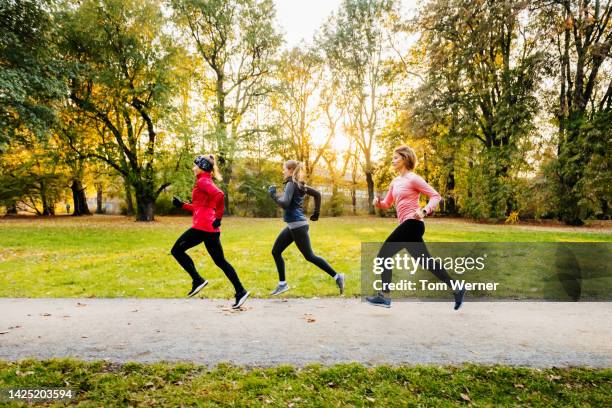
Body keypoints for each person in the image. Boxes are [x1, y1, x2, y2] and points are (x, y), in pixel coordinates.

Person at [365, 146, 465, 309]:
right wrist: (378, 203)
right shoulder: (395, 182)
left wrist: (424, 210)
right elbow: (387, 203)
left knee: (383, 255)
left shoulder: (413, 179)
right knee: (426, 262)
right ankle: (457, 288)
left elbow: (436, 196)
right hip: (407, 226)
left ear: (405, 158)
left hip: (413, 223)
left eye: (396, 157)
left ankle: (385, 296)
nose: (393, 160)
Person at [171, 154, 249, 309]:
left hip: (202, 227)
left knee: (176, 250)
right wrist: (182, 205)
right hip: (210, 227)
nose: (193, 168)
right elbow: (201, 207)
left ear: (202, 167)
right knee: (220, 261)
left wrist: (219, 217)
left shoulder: (203, 181)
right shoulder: (205, 181)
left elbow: (220, 195)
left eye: (196, 165)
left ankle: (197, 280)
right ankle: (241, 291)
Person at [268, 160, 345, 296]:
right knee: (276, 251)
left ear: (291, 170)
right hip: (295, 225)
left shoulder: (292, 183)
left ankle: (337, 276)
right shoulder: (299, 184)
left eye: (284, 169)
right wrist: (316, 213)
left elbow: (285, 203)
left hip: (297, 226)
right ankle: (282, 284)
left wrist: (273, 195)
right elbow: (317, 194)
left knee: (309, 256)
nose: (283, 171)